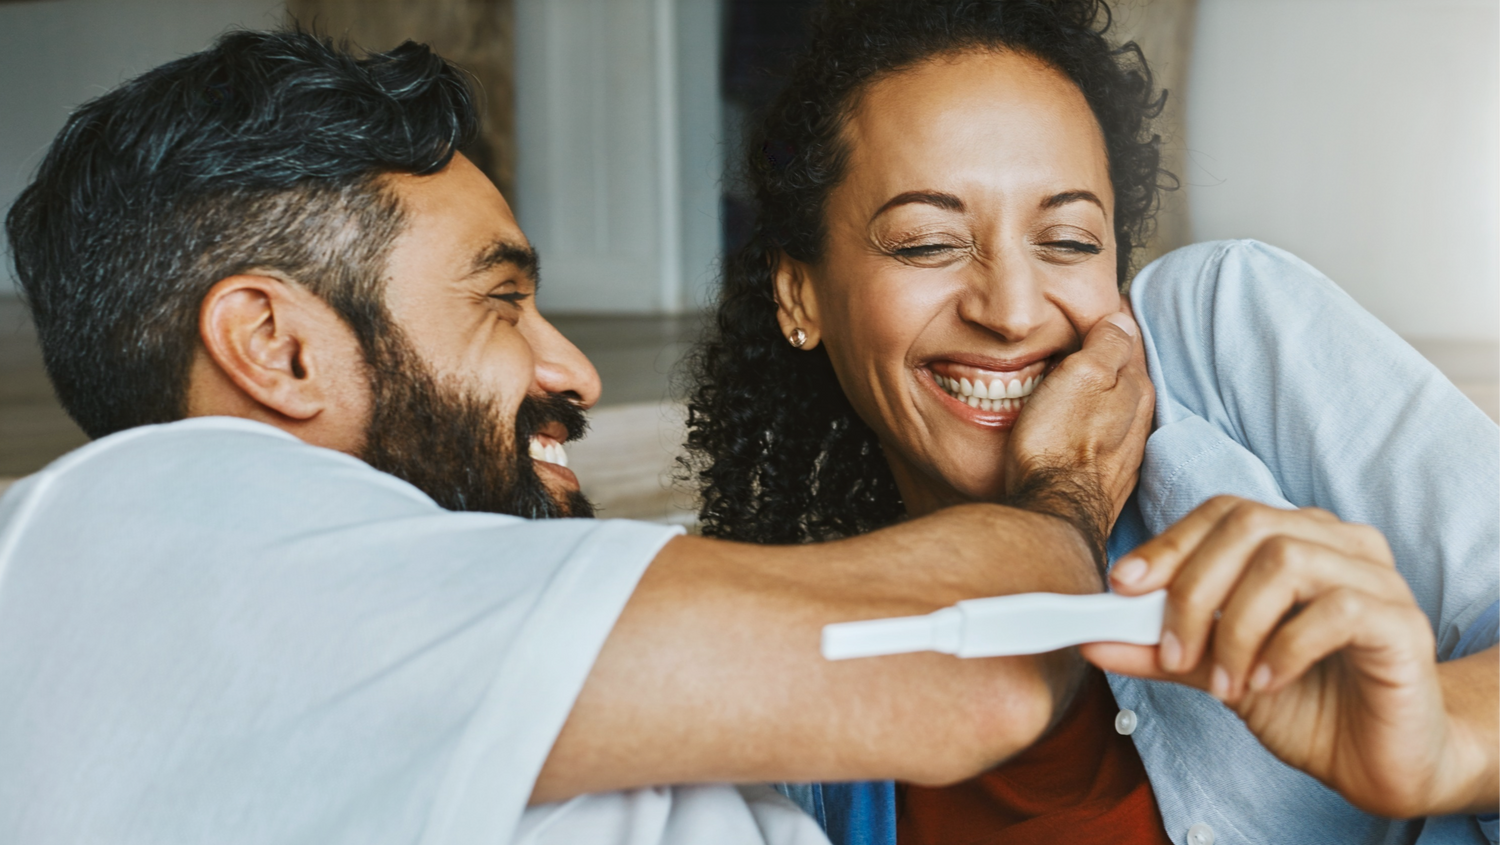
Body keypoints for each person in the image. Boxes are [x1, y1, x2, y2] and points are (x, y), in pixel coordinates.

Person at [0, 27, 1161, 845]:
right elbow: (966, 676)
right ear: (275, 344)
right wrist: (1062, 490)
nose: (574, 367)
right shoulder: (156, 543)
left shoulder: (378, 598)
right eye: (500, 301)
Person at [682, 1, 1500, 843]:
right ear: (799, 294)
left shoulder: (1219, 333)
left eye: (1068, 240)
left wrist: (1441, 737)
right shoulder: (796, 690)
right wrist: (1059, 495)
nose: (1012, 310)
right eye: (928, 242)